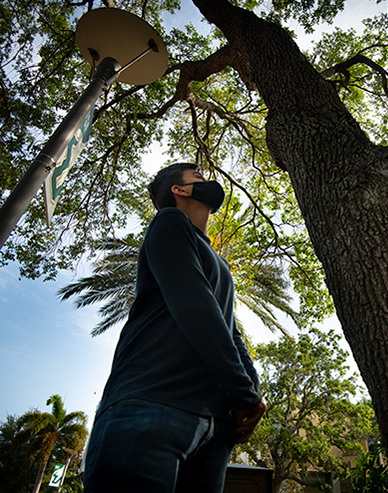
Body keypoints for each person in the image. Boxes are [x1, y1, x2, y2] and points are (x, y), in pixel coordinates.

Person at [83, 163, 266, 493]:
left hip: (212, 429)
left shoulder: (217, 262)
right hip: (150, 407)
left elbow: (229, 328)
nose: (208, 182)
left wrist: (250, 391)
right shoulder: (170, 221)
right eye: (198, 178)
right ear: (179, 190)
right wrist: (244, 394)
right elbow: (197, 309)